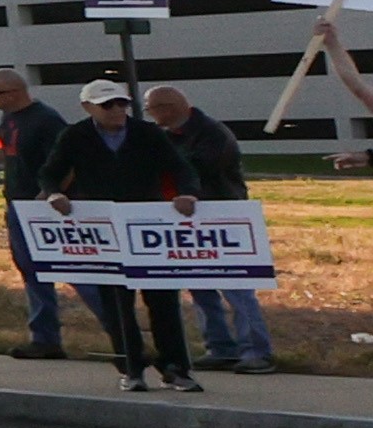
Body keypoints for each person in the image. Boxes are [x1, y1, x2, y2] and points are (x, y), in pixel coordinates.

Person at [48, 76, 200, 390]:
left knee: (163, 300)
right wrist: (54, 194)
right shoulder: (75, 136)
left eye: (121, 103)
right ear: (88, 107)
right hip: (104, 227)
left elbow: (180, 167)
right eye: (107, 105)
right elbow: (50, 172)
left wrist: (187, 194)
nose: (116, 110)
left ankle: (175, 367)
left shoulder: (147, 133)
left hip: (147, 223)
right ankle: (131, 368)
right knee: (117, 302)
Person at [149, 87, 270, 372]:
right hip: (185, 218)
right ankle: (220, 346)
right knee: (200, 285)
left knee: (236, 285)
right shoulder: (168, 136)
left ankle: (256, 351)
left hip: (222, 215)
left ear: (168, 107)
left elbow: (199, 168)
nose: (151, 116)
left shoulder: (212, 133)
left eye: (152, 109)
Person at [0, 65, 73, 357]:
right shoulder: (10, 118)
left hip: (42, 203)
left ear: (14, 93)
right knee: (29, 268)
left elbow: (67, 159)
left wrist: (51, 192)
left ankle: (120, 335)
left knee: (73, 270)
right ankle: (45, 337)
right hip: (17, 201)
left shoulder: (46, 120)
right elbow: (13, 151)